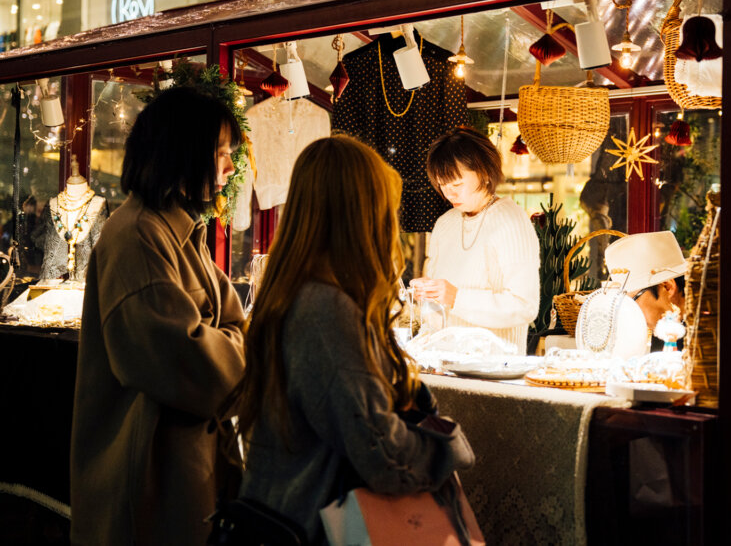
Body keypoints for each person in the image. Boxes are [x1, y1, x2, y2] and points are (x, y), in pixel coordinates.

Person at [235, 135, 474, 544]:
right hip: (318, 525)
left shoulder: (295, 292)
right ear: (362, 214)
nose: (392, 224)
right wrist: (450, 447)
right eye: (386, 209)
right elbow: (382, 453)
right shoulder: (325, 308)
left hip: (286, 514)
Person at [70, 87, 246, 546]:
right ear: (181, 151)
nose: (229, 167)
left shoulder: (180, 229)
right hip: (149, 490)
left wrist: (227, 338)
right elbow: (195, 366)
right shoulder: (138, 237)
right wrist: (232, 343)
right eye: (220, 152)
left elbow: (234, 326)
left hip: (181, 478)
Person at [413, 126, 540, 354]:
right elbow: (437, 310)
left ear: (484, 173)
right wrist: (426, 299)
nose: (448, 194)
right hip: (445, 366)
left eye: (457, 185)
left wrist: (456, 298)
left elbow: (525, 306)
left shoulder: (510, 220)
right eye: (442, 185)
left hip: (496, 372)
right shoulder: (445, 223)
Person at [603, 230, 688, 350]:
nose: (630, 314)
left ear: (667, 287)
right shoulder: (662, 330)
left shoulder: (711, 330)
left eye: (633, 301)